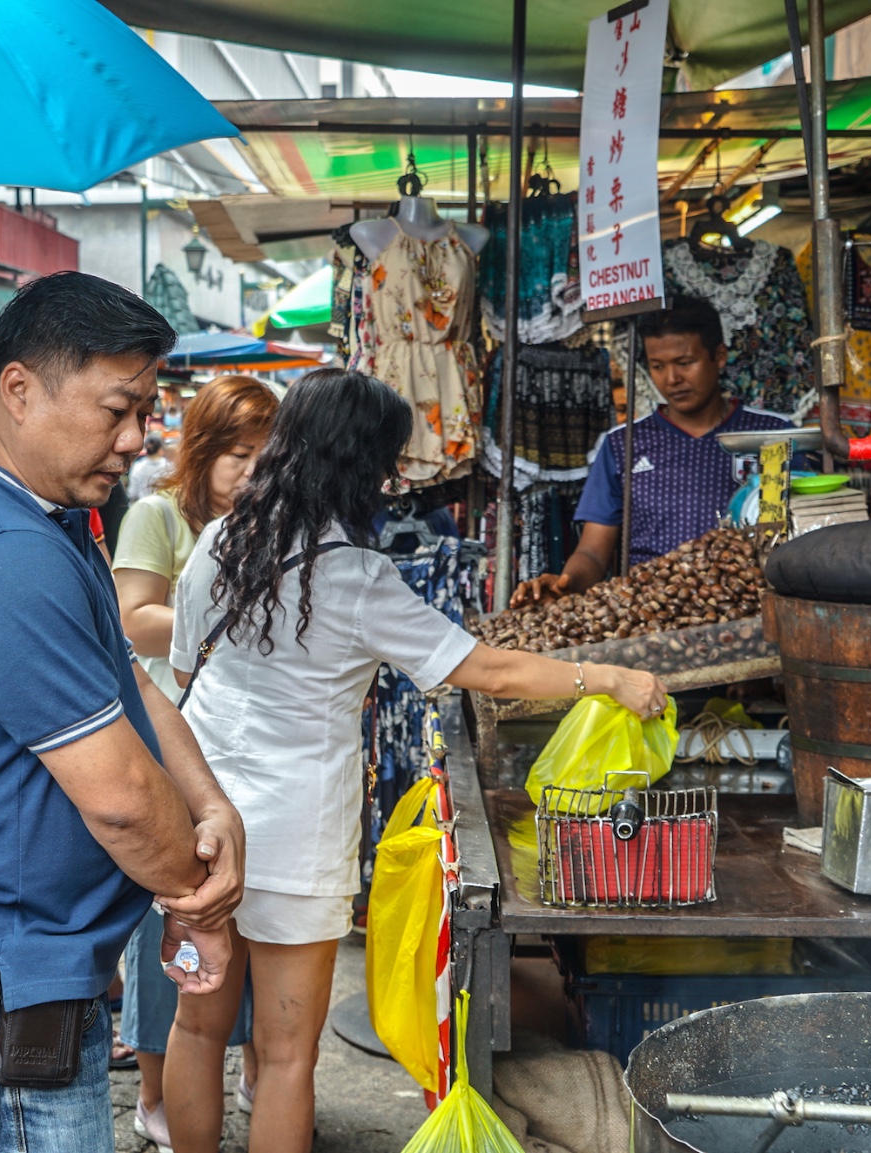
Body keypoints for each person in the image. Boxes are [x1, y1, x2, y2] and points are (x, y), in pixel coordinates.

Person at [164, 369, 668, 1153]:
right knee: (291, 1055)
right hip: (294, 830)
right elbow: (488, 670)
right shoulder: (358, 576)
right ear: (362, 463)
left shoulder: (220, 539)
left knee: (197, 1027)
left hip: (200, 815)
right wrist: (606, 676)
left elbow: (184, 673)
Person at [0, 271, 244, 1150]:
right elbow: (115, 794)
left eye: (145, 410)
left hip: (20, 975)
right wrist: (198, 900)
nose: (135, 438)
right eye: (117, 408)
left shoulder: (47, 519)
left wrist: (213, 806)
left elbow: (134, 683)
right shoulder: (1, 548)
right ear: (19, 390)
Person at [112, 374, 277, 1145]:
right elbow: (131, 619)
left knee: (242, 926)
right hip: (174, 750)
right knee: (175, 929)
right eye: (238, 453)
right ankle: (156, 1096)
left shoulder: (277, 523)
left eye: (266, 454)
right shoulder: (159, 514)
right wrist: (226, 618)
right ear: (204, 449)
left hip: (249, 750)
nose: (251, 469)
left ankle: (235, 1073)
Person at [512, 297, 791, 605]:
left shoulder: (772, 437)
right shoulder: (623, 444)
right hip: (650, 611)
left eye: (685, 363)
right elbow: (592, 552)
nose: (672, 379)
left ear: (719, 356)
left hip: (750, 605)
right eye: (658, 366)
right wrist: (567, 585)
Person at [128, 431, 172, 500]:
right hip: (163, 508)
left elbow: (132, 494)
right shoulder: (170, 467)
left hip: (142, 507)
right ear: (160, 449)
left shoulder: (138, 467)